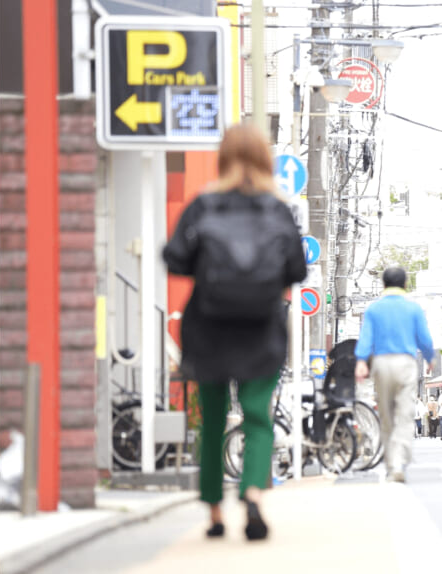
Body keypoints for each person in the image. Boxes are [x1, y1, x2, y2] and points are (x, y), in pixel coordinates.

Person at [162, 124, 306, 541]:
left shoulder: (203, 205)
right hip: (261, 327)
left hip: (208, 326)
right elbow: (297, 270)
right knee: (258, 417)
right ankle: (254, 497)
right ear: (265, 159)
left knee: (211, 420)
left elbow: (176, 259)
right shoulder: (277, 209)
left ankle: (213, 515)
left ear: (223, 158)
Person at [355, 267, 436, 483]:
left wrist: (361, 361)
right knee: (405, 414)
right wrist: (430, 358)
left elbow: (366, 338)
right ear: (405, 284)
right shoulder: (413, 308)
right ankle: (399, 462)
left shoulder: (373, 309)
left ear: (383, 284)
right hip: (406, 363)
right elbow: (424, 339)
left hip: (381, 363)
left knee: (386, 414)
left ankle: (391, 465)